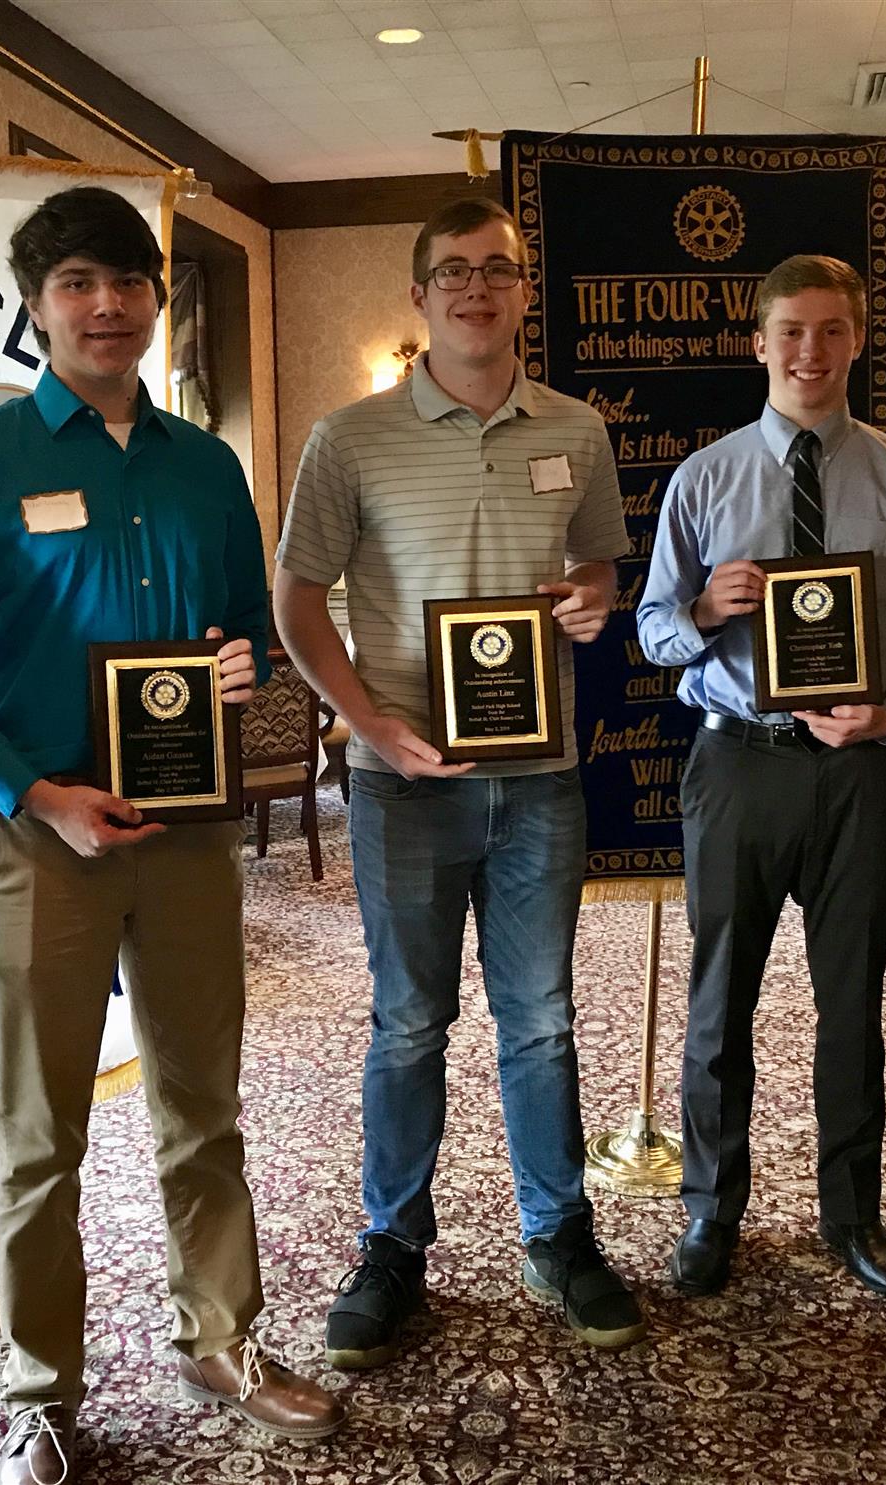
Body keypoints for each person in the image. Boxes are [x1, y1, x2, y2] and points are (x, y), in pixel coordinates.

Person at [0, 185, 342, 1482]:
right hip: (45, 839)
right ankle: (42, 1390)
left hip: (189, 837)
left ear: (157, 301)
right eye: (78, 284)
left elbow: (248, 638)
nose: (108, 306)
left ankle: (221, 1338)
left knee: (204, 1107)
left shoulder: (205, 467)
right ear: (38, 306)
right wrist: (40, 797)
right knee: (41, 1131)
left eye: (129, 282)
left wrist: (239, 669)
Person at [274, 195, 642, 1369]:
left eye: (497, 269)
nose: (476, 288)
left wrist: (592, 599)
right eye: (453, 272)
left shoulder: (577, 429)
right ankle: (393, 1248)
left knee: (541, 1022)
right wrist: (368, 724)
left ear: (524, 290)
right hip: (403, 785)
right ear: (420, 294)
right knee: (406, 1025)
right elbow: (296, 602)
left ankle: (559, 1236)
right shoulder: (349, 438)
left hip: (541, 782)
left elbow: (598, 569)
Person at [638, 254, 886, 1300]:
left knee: (853, 1001)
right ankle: (711, 1210)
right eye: (791, 330)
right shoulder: (704, 478)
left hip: (858, 774)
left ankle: (853, 1216)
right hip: (738, 763)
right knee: (718, 1002)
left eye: (832, 330)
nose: (810, 351)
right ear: (758, 342)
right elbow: (651, 630)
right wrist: (705, 612)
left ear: (859, 342)